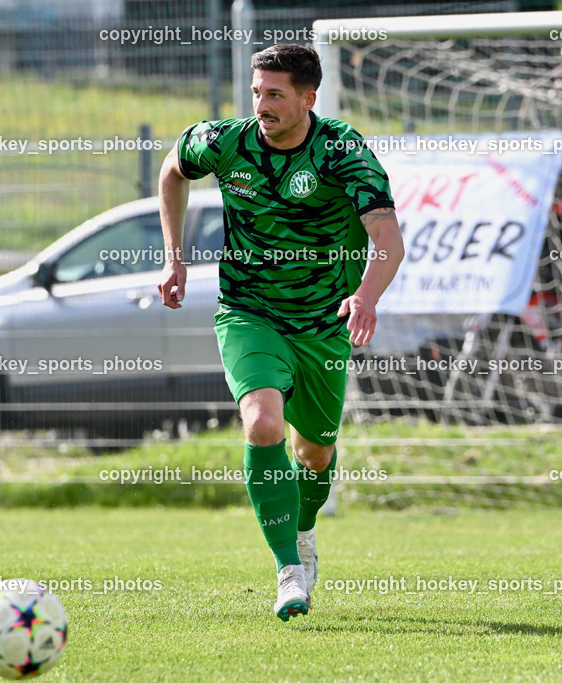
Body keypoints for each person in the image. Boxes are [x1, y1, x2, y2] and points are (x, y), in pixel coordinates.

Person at [157, 43, 403, 622]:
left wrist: (366, 295)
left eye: (275, 94)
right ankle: (288, 567)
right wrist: (174, 257)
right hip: (249, 311)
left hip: (323, 323)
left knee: (314, 453)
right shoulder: (224, 140)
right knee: (263, 422)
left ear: (307, 98)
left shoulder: (342, 150)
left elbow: (386, 237)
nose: (261, 105)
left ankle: (304, 530)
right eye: (256, 91)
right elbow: (172, 168)